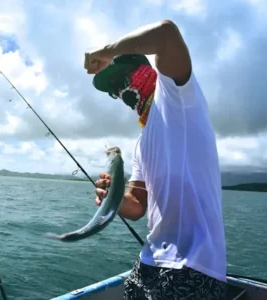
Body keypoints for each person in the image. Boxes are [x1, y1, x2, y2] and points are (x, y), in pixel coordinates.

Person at [84, 20, 227, 299]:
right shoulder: (141, 142)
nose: (120, 92)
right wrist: (113, 196)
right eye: (114, 89)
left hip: (194, 267)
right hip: (149, 261)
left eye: (124, 79)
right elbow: (137, 207)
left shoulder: (178, 97)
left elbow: (166, 33)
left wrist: (105, 51)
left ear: (148, 71)